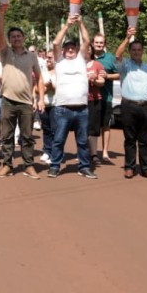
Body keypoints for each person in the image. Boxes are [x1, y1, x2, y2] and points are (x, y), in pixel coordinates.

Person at [0, 7, 44, 179]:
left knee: (28, 136)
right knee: (7, 136)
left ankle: (28, 165)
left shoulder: (32, 56)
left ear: (23, 38)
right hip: (8, 100)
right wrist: (2, 15)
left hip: (26, 102)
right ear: (9, 40)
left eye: (18, 36)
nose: (16, 38)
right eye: (13, 36)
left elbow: (39, 77)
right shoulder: (5, 52)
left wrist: (41, 99)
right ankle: (7, 165)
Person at [47, 15, 97, 179]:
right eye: (67, 47)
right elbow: (56, 43)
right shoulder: (59, 61)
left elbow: (87, 41)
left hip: (82, 109)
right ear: (63, 50)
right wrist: (67, 25)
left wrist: (81, 22)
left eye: (72, 47)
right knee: (59, 140)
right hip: (63, 108)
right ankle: (54, 166)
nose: (70, 50)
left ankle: (84, 167)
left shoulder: (81, 60)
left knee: (82, 141)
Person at [114, 27, 147, 180]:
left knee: (145, 140)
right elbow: (118, 55)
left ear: (142, 51)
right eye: (133, 50)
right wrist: (127, 38)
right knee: (130, 139)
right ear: (130, 51)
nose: (136, 52)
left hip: (146, 107)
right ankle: (129, 167)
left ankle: (146, 169)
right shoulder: (125, 65)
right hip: (129, 106)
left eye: (139, 50)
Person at [91, 33, 119, 164]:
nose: (98, 45)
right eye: (96, 42)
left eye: (101, 42)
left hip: (106, 97)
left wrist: (107, 76)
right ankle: (91, 152)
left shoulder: (110, 58)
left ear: (104, 44)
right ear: (93, 43)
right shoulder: (87, 56)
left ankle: (105, 152)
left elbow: (119, 74)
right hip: (90, 97)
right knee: (91, 125)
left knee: (105, 125)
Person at [37, 51, 54, 165]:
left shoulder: (60, 73)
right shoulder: (42, 73)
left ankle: (55, 153)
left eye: (50, 57)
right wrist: (47, 87)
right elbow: (36, 89)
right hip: (44, 104)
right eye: (47, 57)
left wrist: (50, 86)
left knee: (55, 130)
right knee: (46, 129)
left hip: (56, 105)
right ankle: (47, 151)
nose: (48, 59)